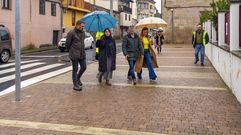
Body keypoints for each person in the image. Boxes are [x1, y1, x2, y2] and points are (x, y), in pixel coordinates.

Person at [66, 20, 86, 91]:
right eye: (82, 26)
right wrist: (71, 52)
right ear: (77, 25)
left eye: (83, 26)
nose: (83, 27)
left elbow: (82, 43)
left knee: (84, 67)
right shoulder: (71, 33)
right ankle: (75, 85)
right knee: (75, 69)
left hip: (82, 54)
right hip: (74, 54)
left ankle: (77, 78)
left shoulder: (83, 33)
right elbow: (67, 44)